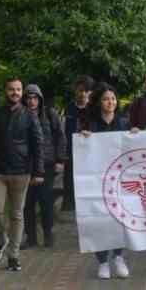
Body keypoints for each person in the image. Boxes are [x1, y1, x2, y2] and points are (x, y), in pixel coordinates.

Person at [0, 78, 46, 273]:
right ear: (5, 91)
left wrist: (39, 171)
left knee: (16, 215)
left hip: (21, 172)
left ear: (22, 92)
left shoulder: (30, 117)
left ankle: (13, 256)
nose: (15, 92)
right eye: (11, 89)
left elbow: (38, 145)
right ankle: (0, 240)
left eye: (18, 89)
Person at [80, 84, 130, 279]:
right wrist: (84, 139)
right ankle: (102, 261)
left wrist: (136, 135)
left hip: (119, 179)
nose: (110, 102)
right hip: (97, 179)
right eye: (106, 99)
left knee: (119, 218)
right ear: (99, 102)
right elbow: (81, 149)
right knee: (98, 219)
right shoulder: (90, 124)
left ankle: (118, 256)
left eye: (113, 99)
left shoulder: (124, 123)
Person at [21, 84, 67, 250]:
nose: (32, 101)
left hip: (47, 164)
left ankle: (48, 233)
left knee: (45, 201)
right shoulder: (20, 115)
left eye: (35, 98)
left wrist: (60, 160)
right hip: (25, 166)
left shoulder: (50, 114)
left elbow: (60, 137)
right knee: (27, 203)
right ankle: (30, 237)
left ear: (39, 99)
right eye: (28, 98)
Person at [62, 76, 94, 212]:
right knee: (69, 179)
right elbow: (62, 131)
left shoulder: (94, 110)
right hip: (70, 151)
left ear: (91, 92)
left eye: (86, 91)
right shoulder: (68, 109)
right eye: (80, 90)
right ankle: (69, 206)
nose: (83, 94)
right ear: (75, 90)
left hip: (90, 152)